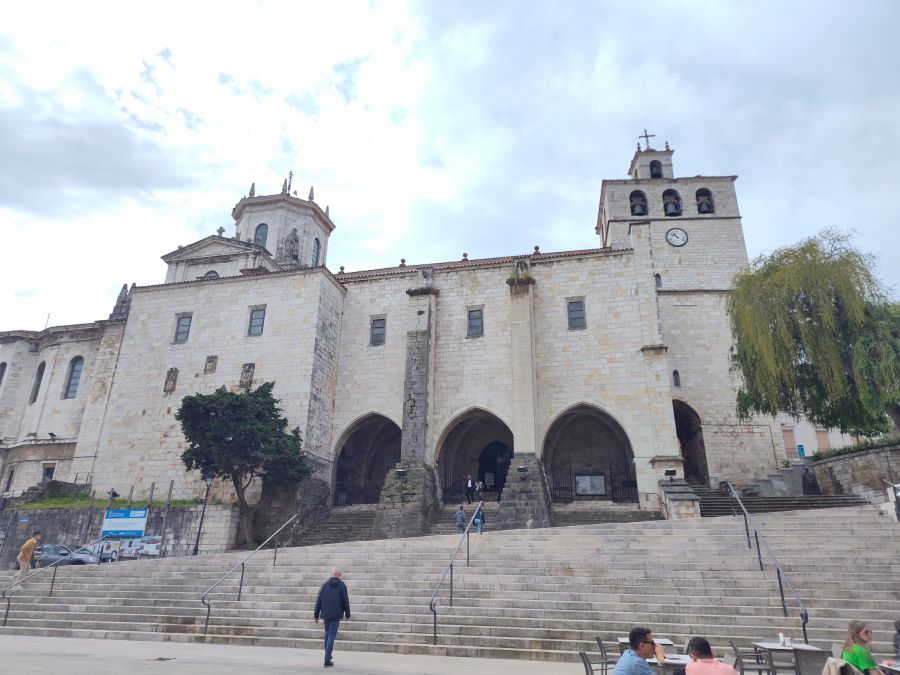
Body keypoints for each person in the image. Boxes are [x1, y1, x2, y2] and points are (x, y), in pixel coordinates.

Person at [314, 568, 351, 668]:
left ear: (332, 574)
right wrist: (348, 614)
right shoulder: (342, 586)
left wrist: (316, 615)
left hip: (326, 614)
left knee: (327, 635)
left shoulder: (324, 585)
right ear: (339, 575)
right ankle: (327, 659)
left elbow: (319, 600)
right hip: (336, 615)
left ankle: (328, 656)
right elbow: (345, 601)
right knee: (331, 635)